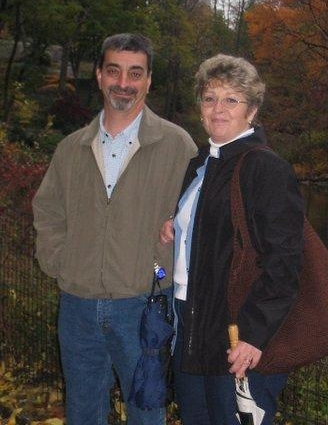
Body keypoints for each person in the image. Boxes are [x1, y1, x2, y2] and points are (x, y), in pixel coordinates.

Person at [32, 33, 197, 425]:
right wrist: (60, 263)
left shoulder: (178, 146)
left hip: (145, 306)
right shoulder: (72, 148)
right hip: (77, 305)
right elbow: (47, 209)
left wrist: (162, 264)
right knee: (83, 411)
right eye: (114, 71)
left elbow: (198, 219)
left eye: (135, 73)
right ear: (99, 75)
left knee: (146, 413)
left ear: (149, 80)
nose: (124, 83)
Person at [160, 54, 304, 425]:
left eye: (231, 100)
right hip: (190, 325)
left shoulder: (266, 168)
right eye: (210, 99)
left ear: (252, 111)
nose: (218, 109)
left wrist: (254, 336)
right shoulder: (202, 162)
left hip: (237, 336)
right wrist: (177, 228)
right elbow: (215, 231)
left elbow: (284, 264)